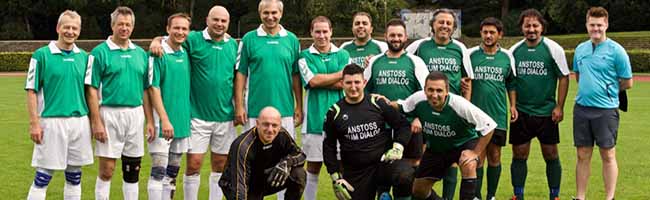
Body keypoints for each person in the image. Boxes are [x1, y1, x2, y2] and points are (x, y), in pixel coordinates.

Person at [149, 5, 239, 200]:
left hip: (225, 116)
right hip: (197, 115)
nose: (219, 24)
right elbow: (173, 38)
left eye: (223, 21)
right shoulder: (193, 39)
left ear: (228, 23)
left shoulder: (233, 45)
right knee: (193, 165)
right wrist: (156, 40)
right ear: (207, 20)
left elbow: (239, 76)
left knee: (220, 165)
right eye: (215, 20)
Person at [389, 71, 496, 200]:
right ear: (424, 90)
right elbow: (401, 106)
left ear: (447, 91)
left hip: (462, 144)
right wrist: (382, 101)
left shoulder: (459, 105)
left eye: (439, 90)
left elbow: (489, 125)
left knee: (468, 162)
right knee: (419, 191)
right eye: (430, 90)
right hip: (436, 148)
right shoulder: (418, 99)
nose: (434, 95)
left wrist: (475, 153)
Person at [405, 9, 474, 199]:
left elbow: (467, 82)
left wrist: (464, 112)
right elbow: (403, 60)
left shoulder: (460, 48)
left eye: (448, 23)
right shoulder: (419, 46)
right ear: (432, 25)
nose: (444, 26)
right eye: (440, 22)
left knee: (451, 158)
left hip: (451, 113)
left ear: (453, 27)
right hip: (426, 111)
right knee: (424, 156)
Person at [85, 6, 152, 200]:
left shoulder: (141, 53)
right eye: (121, 24)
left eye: (128, 24)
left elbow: (147, 90)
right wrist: (96, 121)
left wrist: (149, 121)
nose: (124, 28)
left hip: (135, 115)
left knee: (133, 170)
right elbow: (91, 88)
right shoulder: (99, 53)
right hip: (109, 114)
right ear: (112, 25)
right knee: (107, 170)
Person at [25, 10, 93, 200]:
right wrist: (34, 123)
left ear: (79, 31)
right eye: (66, 27)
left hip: (80, 122)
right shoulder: (41, 55)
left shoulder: (85, 57)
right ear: (58, 28)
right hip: (52, 122)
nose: (70, 31)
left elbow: (90, 92)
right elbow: (31, 90)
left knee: (74, 175)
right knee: (42, 176)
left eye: (74, 28)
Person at [323, 63, 412, 200]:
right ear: (342, 83)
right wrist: (335, 177)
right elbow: (328, 146)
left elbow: (403, 125)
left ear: (364, 82)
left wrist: (398, 147)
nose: (353, 87)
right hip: (356, 171)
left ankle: (386, 193)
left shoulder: (377, 103)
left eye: (357, 82)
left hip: (384, 163)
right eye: (349, 83)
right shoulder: (334, 112)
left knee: (405, 174)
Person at [508, 9, 570, 200]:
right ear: (522, 28)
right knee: (519, 154)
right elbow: (510, 81)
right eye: (527, 25)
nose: (531, 29)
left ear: (542, 27)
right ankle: (518, 195)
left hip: (546, 112)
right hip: (522, 112)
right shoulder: (514, 51)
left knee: (551, 154)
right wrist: (512, 106)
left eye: (535, 25)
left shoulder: (553, 48)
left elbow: (564, 77)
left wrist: (559, 106)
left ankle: (555, 195)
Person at [364, 18, 428, 200]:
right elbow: (364, 91)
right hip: (380, 126)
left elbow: (426, 94)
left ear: (405, 37)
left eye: (399, 35)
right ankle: (383, 194)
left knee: (409, 168)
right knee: (381, 164)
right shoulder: (375, 62)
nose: (396, 38)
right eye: (392, 35)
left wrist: (419, 118)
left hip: (409, 124)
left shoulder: (415, 62)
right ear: (385, 36)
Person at [572, 7, 633, 200]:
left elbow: (627, 82)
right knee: (582, 155)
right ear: (587, 25)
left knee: (608, 155)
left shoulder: (617, 51)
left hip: (606, 111)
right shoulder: (580, 49)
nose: (595, 28)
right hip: (581, 109)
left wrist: (608, 92)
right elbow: (578, 76)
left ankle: (609, 197)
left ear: (606, 25)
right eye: (592, 25)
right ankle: (580, 197)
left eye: (599, 25)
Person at [297, 16, 350, 200]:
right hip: (314, 121)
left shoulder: (342, 54)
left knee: (342, 168)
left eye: (325, 31)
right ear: (311, 32)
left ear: (331, 32)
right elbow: (312, 80)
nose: (321, 36)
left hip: (342, 122)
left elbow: (346, 84)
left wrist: (321, 80)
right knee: (313, 168)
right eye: (317, 32)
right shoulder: (304, 56)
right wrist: (339, 75)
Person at [235, 0, 303, 140]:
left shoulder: (292, 40)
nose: (270, 16)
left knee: (283, 157)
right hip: (254, 110)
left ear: (281, 13)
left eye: (274, 12)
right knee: (254, 156)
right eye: (266, 12)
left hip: (284, 110)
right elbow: (241, 73)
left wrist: (299, 106)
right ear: (260, 14)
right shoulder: (248, 39)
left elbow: (296, 75)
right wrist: (239, 106)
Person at [467, 17, 517, 200]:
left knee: (495, 156)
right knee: (477, 157)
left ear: (500, 35)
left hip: (498, 115)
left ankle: (491, 196)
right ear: (481, 33)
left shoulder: (506, 57)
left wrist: (512, 105)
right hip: (475, 116)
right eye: (485, 32)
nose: (488, 36)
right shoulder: (471, 55)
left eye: (492, 32)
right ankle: (476, 196)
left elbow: (511, 83)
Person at [146, 13, 192, 200]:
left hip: (181, 123)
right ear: (167, 29)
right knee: (158, 172)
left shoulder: (186, 52)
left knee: (172, 173)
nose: (180, 32)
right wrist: (164, 119)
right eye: (176, 28)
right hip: (162, 123)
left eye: (184, 28)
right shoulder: (158, 54)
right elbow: (152, 87)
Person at [218, 107, 306, 200]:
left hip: (262, 177)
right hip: (237, 183)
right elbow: (239, 189)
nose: (270, 130)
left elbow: (300, 155)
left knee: (298, 174)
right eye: (266, 124)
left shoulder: (282, 135)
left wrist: (286, 162)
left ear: (280, 126)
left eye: (274, 125)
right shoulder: (243, 146)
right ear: (257, 124)